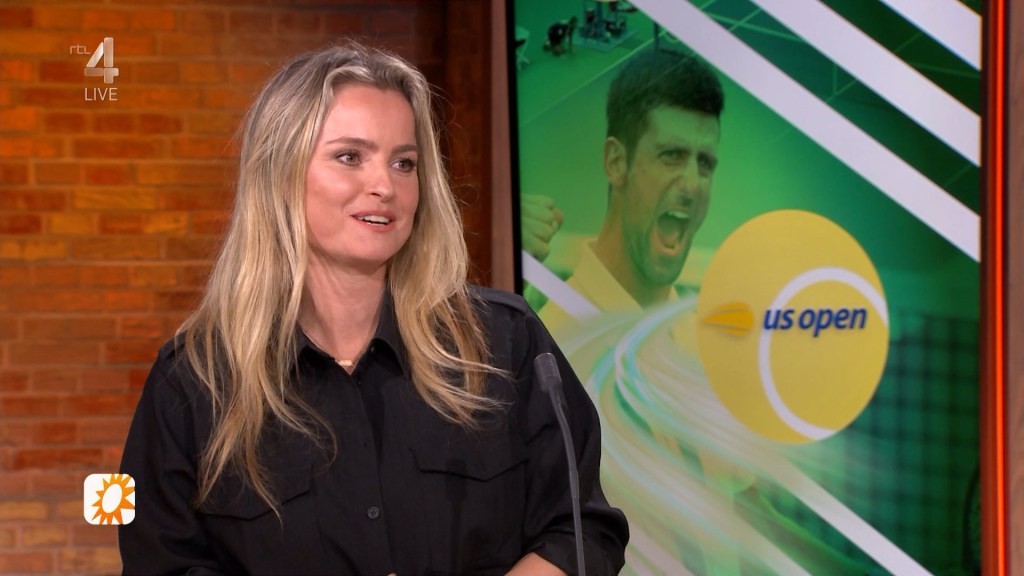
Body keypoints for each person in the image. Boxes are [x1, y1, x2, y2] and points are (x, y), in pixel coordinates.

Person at [118, 42, 628, 576]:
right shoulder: (191, 381)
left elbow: (585, 528)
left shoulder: (505, 342)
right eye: (350, 157)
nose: (385, 186)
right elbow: (160, 565)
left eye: (404, 163)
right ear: (280, 172)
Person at [534, 49, 869, 575]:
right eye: (672, 155)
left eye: (705, 163)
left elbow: (747, 515)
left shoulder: (710, 346)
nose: (692, 184)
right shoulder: (550, 349)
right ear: (616, 162)